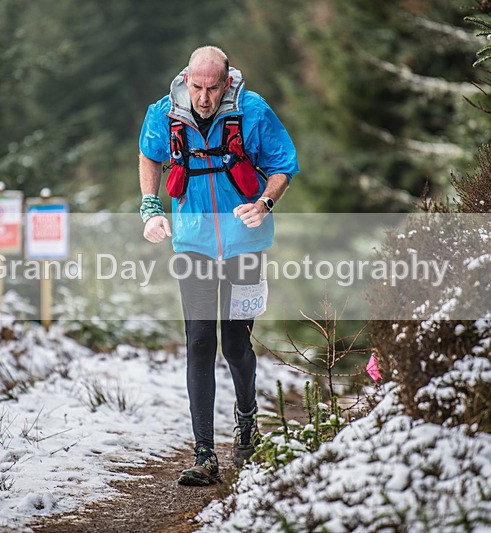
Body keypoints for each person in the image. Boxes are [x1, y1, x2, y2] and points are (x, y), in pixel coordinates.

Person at [137, 45, 299, 486]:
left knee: (237, 345)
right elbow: (150, 152)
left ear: (226, 83)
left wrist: (265, 203)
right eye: (197, 87)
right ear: (186, 78)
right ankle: (204, 453)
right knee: (199, 341)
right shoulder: (165, 112)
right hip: (193, 243)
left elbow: (284, 165)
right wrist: (151, 207)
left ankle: (247, 423)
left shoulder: (254, 111)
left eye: (212, 88)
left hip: (245, 243)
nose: (204, 98)